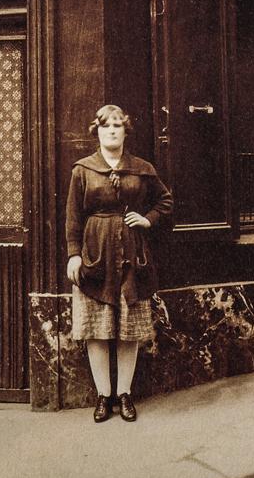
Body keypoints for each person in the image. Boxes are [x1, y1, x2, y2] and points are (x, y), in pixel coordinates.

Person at [66, 104, 173, 423]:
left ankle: (124, 394)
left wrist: (147, 219)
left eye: (117, 125)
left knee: (129, 330)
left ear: (126, 130)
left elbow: (165, 201)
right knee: (97, 330)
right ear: (96, 131)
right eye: (105, 125)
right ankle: (104, 397)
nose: (112, 130)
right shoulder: (82, 170)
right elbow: (73, 216)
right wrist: (73, 253)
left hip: (131, 256)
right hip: (94, 255)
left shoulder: (142, 168)